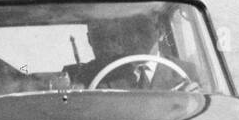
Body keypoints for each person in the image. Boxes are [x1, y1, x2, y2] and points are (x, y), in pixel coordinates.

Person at [65, 15, 194, 90]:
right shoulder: (94, 73)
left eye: (142, 30)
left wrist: (193, 100)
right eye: (127, 31)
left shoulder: (187, 72)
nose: (134, 39)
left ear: (160, 32)